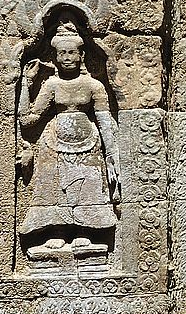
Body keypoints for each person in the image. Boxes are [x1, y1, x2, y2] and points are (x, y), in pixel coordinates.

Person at [17, 19, 120, 252]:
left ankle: (85, 229)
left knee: (88, 186)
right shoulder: (52, 85)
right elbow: (28, 119)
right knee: (54, 188)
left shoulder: (93, 85)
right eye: (61, 53)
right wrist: (26, 84)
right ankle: (59, 229)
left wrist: (112, 153)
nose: (66, 57)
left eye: (71, 52)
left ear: (81, 55)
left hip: (88, 145)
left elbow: (104, 120)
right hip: (53, 145)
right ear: (54, 57)